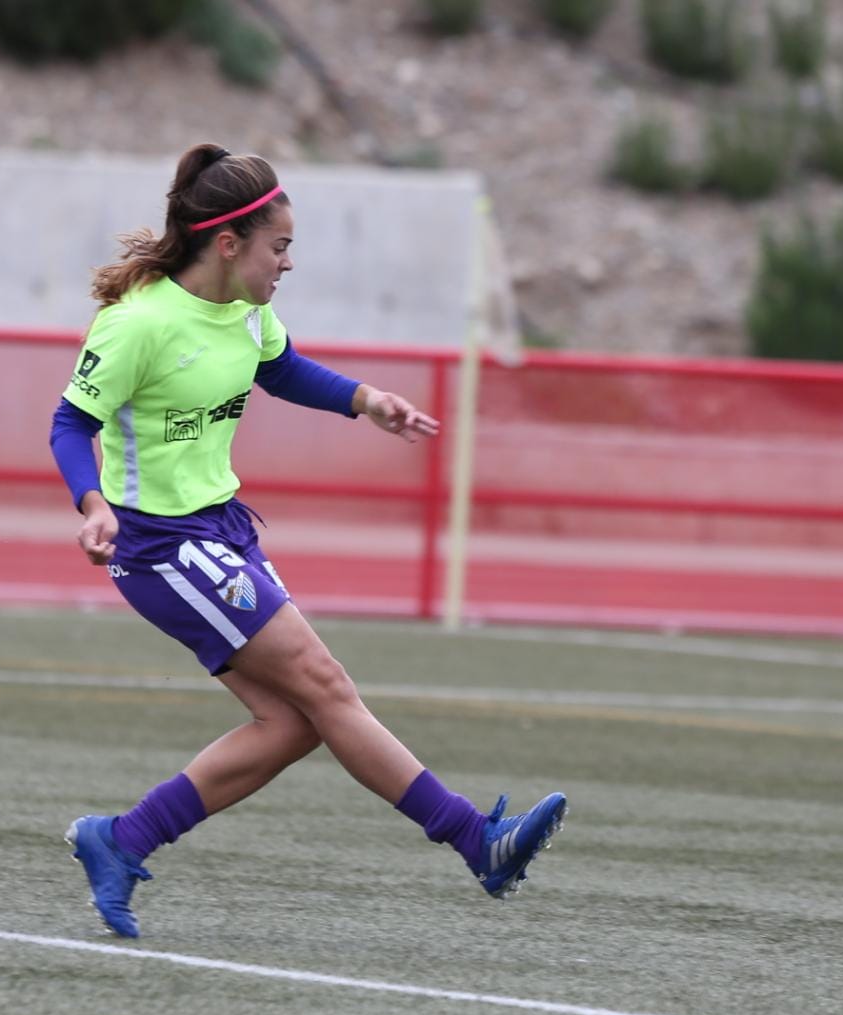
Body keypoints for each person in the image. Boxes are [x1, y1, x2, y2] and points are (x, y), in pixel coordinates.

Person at [48, 143, 566, 939]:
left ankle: (119, 839)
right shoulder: (139, 323)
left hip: (220, 530)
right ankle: (476, 840)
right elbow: (70, 422)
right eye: (278, 247)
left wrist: (365, 400)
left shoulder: (245, 310)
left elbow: (278, 367)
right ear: (228, 244)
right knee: (325, 682)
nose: (288, 263)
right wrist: (92, 504)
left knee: (292, 724)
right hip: (158, 546)